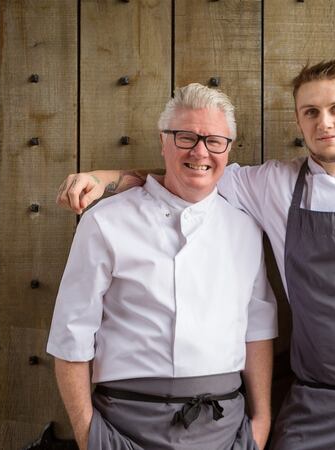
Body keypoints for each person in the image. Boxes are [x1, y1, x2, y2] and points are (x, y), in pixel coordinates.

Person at [57, 60, 335, 450]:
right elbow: (191, 171)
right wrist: (108, 177)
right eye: (311, 111)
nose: (325, 122)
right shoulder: (271, 184)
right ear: (298, 119)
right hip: (316, 399)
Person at [47, 83, 277, 450]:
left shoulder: (245, 226)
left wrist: (260, 423)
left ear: (228, 148)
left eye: (214, 140)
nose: (200, 151)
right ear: (163, 142)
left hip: (226, 428)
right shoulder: (106, 221)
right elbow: (70, 335)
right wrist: (89, 434)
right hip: (126, 427)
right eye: (185, 137)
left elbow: (259, 326)